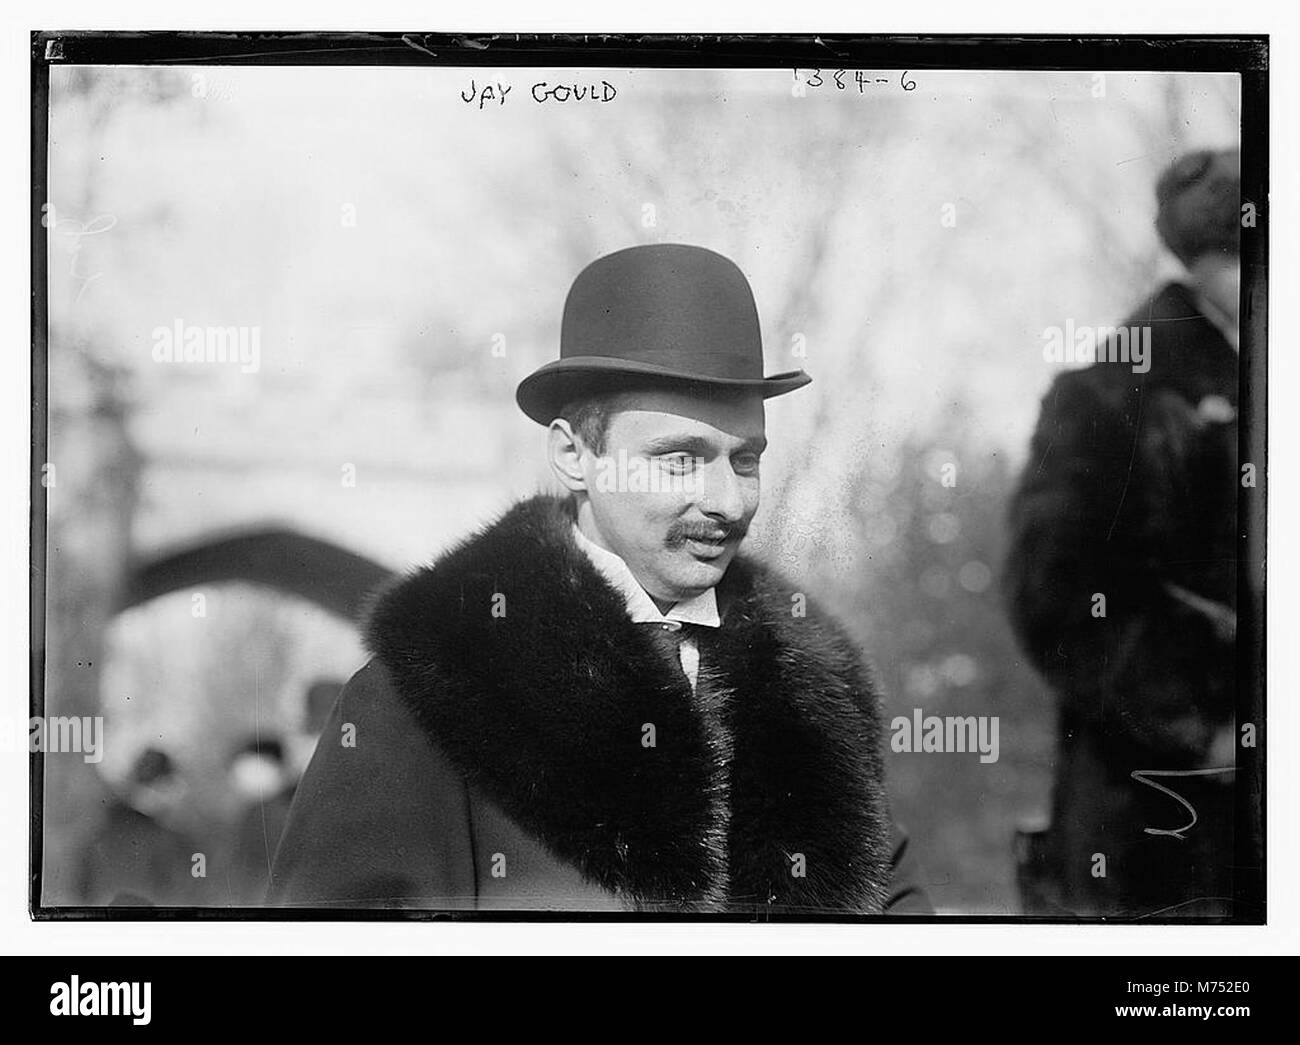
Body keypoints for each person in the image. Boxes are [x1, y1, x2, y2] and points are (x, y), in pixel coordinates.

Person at [269, 243, 930, 914]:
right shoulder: (422, 696)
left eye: (746, 460)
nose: (727, 501)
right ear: (573, 456)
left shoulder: (816, 707)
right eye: (679, 459)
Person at [1004, 149, 1242, 917]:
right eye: (1247, 260)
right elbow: (1060, 600)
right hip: (1159, 820)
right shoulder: (1111, 396)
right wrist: (1205, 726)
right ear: (1209, 265)